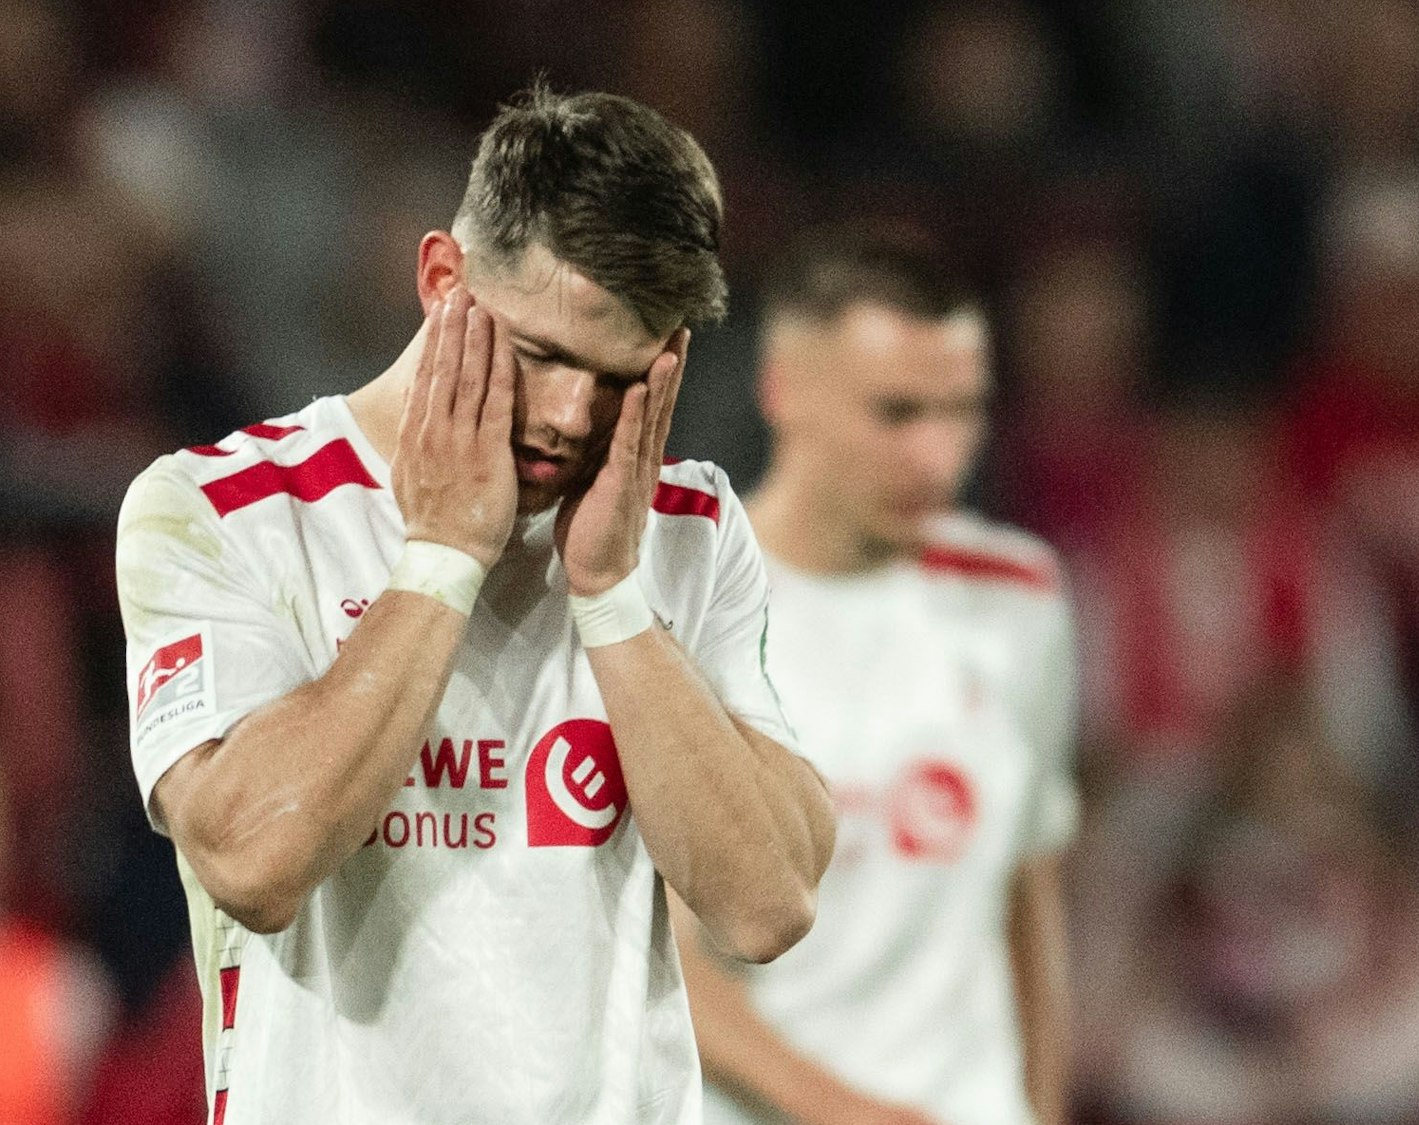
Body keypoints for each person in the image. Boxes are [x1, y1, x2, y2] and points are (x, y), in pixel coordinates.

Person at [113, 84, 837, 1125]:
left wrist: (612, 596)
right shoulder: (221, 512)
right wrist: (443, 557)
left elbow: (765, 904)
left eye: (616, 378)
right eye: (540, 355)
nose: (567, 416)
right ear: (441, 278)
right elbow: (254, 861)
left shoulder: (684, 527)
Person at [674, 229, 1078, 1125]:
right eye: (897, 414)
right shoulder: (680, 604)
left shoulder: (1019, 598)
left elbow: (1028, 900)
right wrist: (846, 1112)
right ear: (785, 392)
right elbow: (656, 957)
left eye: (962, 412)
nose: (939, 457)